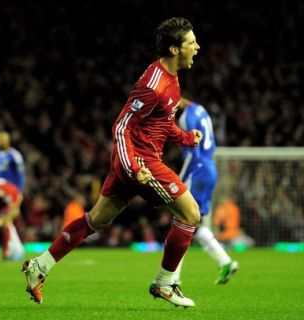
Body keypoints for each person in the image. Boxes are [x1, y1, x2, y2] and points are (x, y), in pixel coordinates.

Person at [22, 17, 202, 308]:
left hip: (137, 161)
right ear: (173, 49)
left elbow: (162, 123)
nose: (197, 47)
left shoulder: (172, 79)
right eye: (191, 42)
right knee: (191, 214)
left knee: (97, 219)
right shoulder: (153, 84)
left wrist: (184, 138)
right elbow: (121, 127)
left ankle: (39, 266)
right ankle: (165, 283)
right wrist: (133, 168)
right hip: (139, 162)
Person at [174, 98, 239, 285]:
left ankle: (172, 278)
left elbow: (193, 154)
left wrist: (179, 179)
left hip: (197, 169)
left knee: (181, 221)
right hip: (210, 168)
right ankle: (225, 261)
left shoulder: (185, 118)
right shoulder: (200, 109)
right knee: (193, 224)